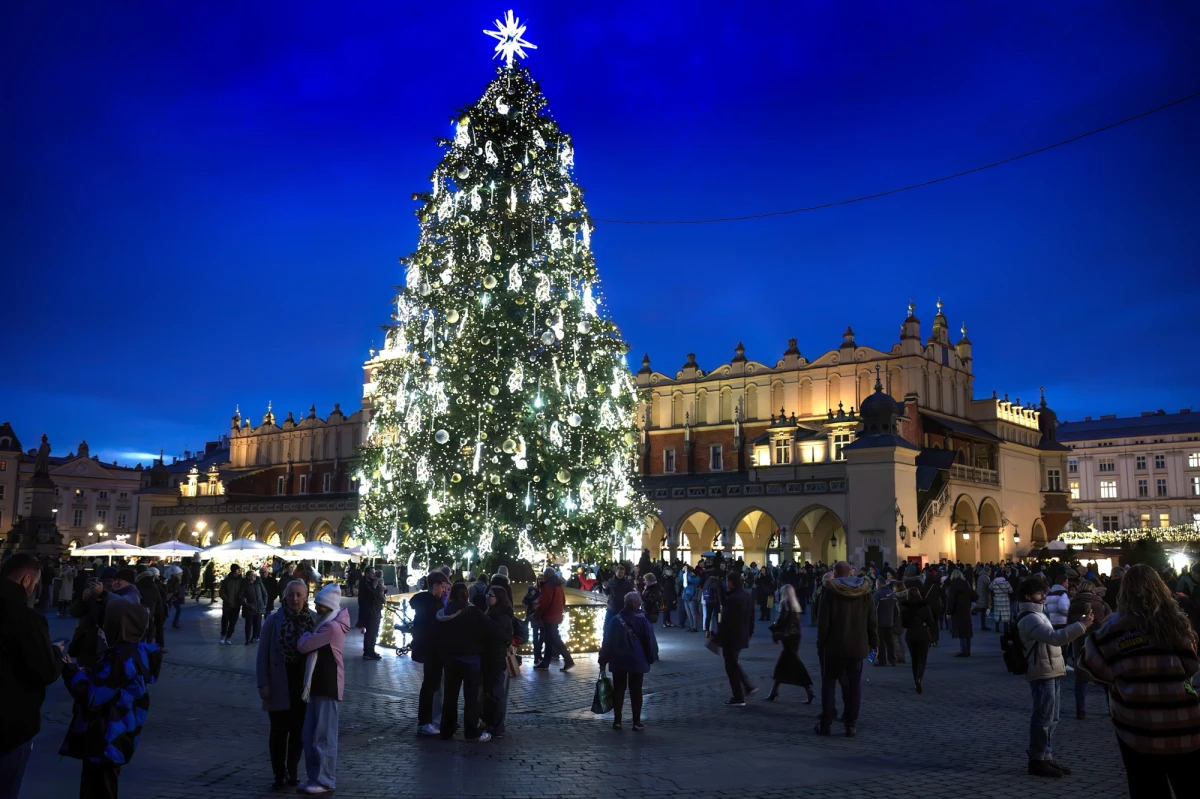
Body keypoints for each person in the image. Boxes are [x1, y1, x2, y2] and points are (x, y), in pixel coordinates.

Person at [1079, 564, 1199, 797]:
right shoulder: (1177, 623)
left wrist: (1119, 676)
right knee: (1190, 785)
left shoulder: (1113, 627)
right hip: (1183, 720)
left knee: (1146, 788)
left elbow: (1088, 663)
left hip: (1136, 721)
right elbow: (1192, 665)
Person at [59, 598, 156, 799]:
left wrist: (70, 670)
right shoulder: (135, 651)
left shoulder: (121, 658)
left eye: (108, 622)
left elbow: (92, 696)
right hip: (117, 731)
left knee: (99, 789)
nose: (103, 627)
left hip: (107, 735)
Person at [0, 554, 65, 798]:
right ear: (26, 580)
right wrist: (56, 655)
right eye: (35, 584)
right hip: (9, 724)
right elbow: (44, 671)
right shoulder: (26, 618)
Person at [1015, 576, 1094, 778]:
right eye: (1040, 593)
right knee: (1043, 717)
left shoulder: (1038, 614)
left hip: (1050, 669)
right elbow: (1055, 638)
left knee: (1052, 717)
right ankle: (1037, 759)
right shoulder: (1030, 617)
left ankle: (1046, 756)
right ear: (1028, 595)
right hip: (1041, 671)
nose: (1044, 597)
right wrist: (1081, 626)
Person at [257, 578, 315, 789]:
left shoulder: (313, 620)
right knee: (279, 731)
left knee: (299, 731)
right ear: (285, 596)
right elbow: (262, 653)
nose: (295, 599)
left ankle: (293, 770)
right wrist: (263, 683)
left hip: (302, 684)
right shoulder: (273, 620)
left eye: (299, 595)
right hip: (279, 681)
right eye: (291, 595)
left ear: (306, 597)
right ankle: (279, 774)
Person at [295, 584, 350, 794]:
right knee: (311, 734)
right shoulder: (325, 625)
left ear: (327, 607)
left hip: (327, 685)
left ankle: (325, 779)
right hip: (319, 685)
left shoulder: (330, 628)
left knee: (323, 735)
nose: (316, 608)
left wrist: (306, 637)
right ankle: (315, 777)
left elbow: (304, 646)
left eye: (319, 605)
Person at [814, 562, 878, 737]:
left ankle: (826, 723)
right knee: (854, 685)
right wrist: (874, 643)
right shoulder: (865, 592)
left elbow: (823, 623)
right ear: (850, 572)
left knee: (828, 683)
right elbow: (872, 620)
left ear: (835, 573)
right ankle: (850, 724)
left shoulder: (829, 591)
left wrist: (821, 644)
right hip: (857, 646)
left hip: (834, 646)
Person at [434, 582, 499, 742]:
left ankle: (447, 729)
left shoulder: (445, 612)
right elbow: (491, 628)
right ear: (466, 594)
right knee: (471, 698)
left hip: (451, 659)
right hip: (471, 660)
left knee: (450, 696)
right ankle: (471, 731)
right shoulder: (473, 612)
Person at [598, 591, 659, 730]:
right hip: (637, 660)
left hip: (618, 660)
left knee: (618, 689)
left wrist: (603, 660)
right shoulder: (643, 620)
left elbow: (607, 641)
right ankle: (636, 722)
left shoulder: (615, 620)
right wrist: (650, 658)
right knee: (636, 690)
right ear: (636, 604)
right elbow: (649, 641)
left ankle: (617, 720)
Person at [1066, 578, 1110, 719]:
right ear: (1093, 590)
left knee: (1081, 678)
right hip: (1099, 643)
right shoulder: (1101, 603)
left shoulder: (1073, 603)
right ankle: (1111, 709)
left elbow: (1068, 624)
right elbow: (1110, 622)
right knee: (1105, 678)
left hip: (1080, 643)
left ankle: (1081, 710)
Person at [412, 572, 449, 736]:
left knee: (430, 685)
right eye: (442, 587)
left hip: (430, 649)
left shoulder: (427, 603)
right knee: (429, 686)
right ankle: (424, 722)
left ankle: (426, 720)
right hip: (433, 650)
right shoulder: (432, 605)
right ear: (434, 586)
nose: (443, 591)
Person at [766, 584, 815, 703]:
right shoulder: (795, 603)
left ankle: (808, 689)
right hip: (795, 636)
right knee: (784, 663)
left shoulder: (785, 603)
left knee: (792, 663)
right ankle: (774, 691)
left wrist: (774, 627)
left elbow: (782, 619)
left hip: (788, 636)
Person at [481, 586, 516, 739]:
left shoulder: (502, 617)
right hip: (488, 658)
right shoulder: (490, 613)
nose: (488, 597)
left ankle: (497, 725)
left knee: (496, 693)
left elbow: (503, 636)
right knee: (489, 693)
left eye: (491, 595)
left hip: (495, 659)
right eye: (487, 594)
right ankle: (490, 722)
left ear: (499, 598)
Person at [717, 572, 755, 707]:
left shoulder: (732, 599)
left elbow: (725, 620)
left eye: (728, 582)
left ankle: (738, 696)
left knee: (730, 665)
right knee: (733, 662)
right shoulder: (747, 597)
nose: (727, 584)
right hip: (742, 635)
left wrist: (718, 636)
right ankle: (747, 686)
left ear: (731, 583)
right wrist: (750, 632)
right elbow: (752, 617)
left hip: (730, 636)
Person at [533, 567, 574, 672]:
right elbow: (563, 600)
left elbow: (544, 602)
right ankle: (545, 662)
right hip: (556, 615)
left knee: (555, 639)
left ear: (547, 575)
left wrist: (537, 613)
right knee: (549, 639)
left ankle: (568, 660)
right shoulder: (558, 585)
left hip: (549, 616)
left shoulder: (548, 586)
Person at [900, 577, 936, 693]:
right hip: (923, 634)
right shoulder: (924, 606)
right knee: (922, 659)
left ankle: (915, 678)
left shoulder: (905, 607)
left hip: (910, 635)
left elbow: (903, 623)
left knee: (914, 659)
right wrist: (925, 625)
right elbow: (931, 621)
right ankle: (919, 678)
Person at [944, 569, 977, 657]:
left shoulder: (953, 585)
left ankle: (963, 651)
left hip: (957, 610)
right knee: (967, 630)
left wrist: (948, 612)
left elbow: (951, 600)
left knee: (961, 631)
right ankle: (968, 650)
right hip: (967, 609)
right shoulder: (966, 584)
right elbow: (974, 596)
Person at [357, 567, 385, 660]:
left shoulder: (369, 582)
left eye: (374, 573)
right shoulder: (364, 583)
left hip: (375, 609)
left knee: (373, 631)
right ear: (367, 574)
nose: (374, 575)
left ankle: (369, 650)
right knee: (371, 631)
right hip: (370, 610)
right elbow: (371, 593)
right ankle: (369, 651)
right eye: (372, 573)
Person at [219, 564, 246, 645]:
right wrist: (227, 600)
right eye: (238, 570)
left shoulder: (242, 580)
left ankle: (228, 637)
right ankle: (223, 635)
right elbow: (221, 592)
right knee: (225, 621)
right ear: (234, 570)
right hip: (227, 605)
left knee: (233, 622)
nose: (239, 571)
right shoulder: (227, 580)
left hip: (236, 605)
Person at [243, 569, 268, 645]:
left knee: (257, 624)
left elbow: (265, 594)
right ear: (248, 577)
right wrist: (247, 605)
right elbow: (241, 596)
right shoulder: (245, 585)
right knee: (249, 624)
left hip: (259, 607)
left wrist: (264, 604)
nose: (255, 576)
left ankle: (254, 637)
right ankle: (247, 639)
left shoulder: (258, 583)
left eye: (255, 575)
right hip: (250, 608)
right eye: (252, 575)